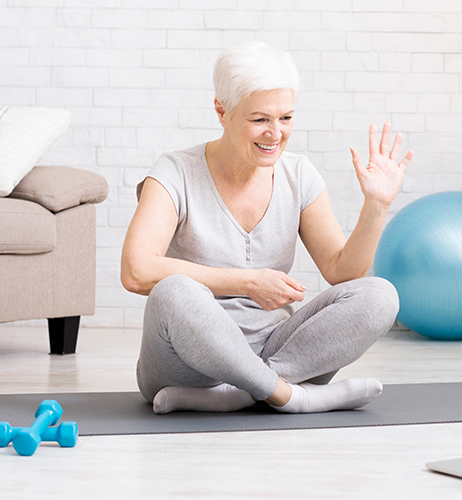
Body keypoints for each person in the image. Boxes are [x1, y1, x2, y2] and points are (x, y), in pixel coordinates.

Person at [120, 41, 414, 415]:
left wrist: (377, 204)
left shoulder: (299, 174)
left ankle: (244, 392)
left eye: (285, 118)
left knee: (381, 294)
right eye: (259, 120)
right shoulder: (175, 171)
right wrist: (247, 282)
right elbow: (136, 271)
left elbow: (343, 272)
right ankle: (291, 396)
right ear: (222, 111)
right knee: (174, 290)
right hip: (186, 364)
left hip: (275, 349)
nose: (275, 134)